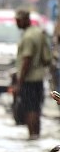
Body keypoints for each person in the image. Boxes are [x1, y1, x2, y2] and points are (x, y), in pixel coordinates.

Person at [13, 8, 49, 140]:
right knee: (36, 108)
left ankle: (32, 136)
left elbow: (26, 60)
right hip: (38, 78)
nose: (16, 23)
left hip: (29, 80)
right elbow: (46, 58)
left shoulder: (28, 37)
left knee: (30, 109)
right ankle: (36, 136)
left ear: (24, 20)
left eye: (18, 21)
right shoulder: (38, 32)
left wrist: (19, 83)